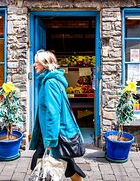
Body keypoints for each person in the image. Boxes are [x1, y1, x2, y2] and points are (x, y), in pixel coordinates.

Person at [29, 49, 86, 181]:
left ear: (45, 64)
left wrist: (50, 140)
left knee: (40, 164)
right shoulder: (49, 81)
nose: (34, 65)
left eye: (36, 62)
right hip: (52, 133)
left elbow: (53, 112)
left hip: (54, 134)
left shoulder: (50, 83)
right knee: (67, 165)